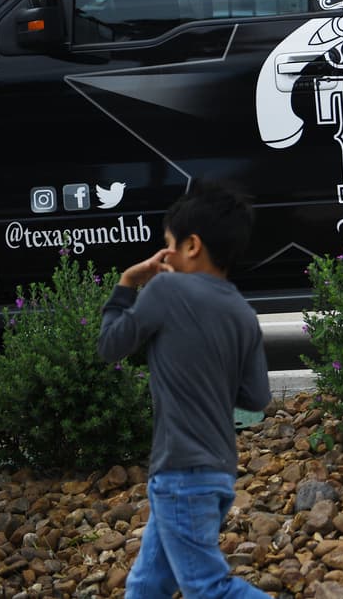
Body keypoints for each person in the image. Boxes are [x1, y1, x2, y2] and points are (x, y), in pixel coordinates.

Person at [97, 180, 272, 599]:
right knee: (146, 583)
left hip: (180, 472)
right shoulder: (243, 312)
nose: (164, 254)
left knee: (207, 588)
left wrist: (126, 282)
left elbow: (110, 346)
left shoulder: (165, 289)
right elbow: (257, 399)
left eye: (167, 244)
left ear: (192, 246)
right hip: (217, 474)